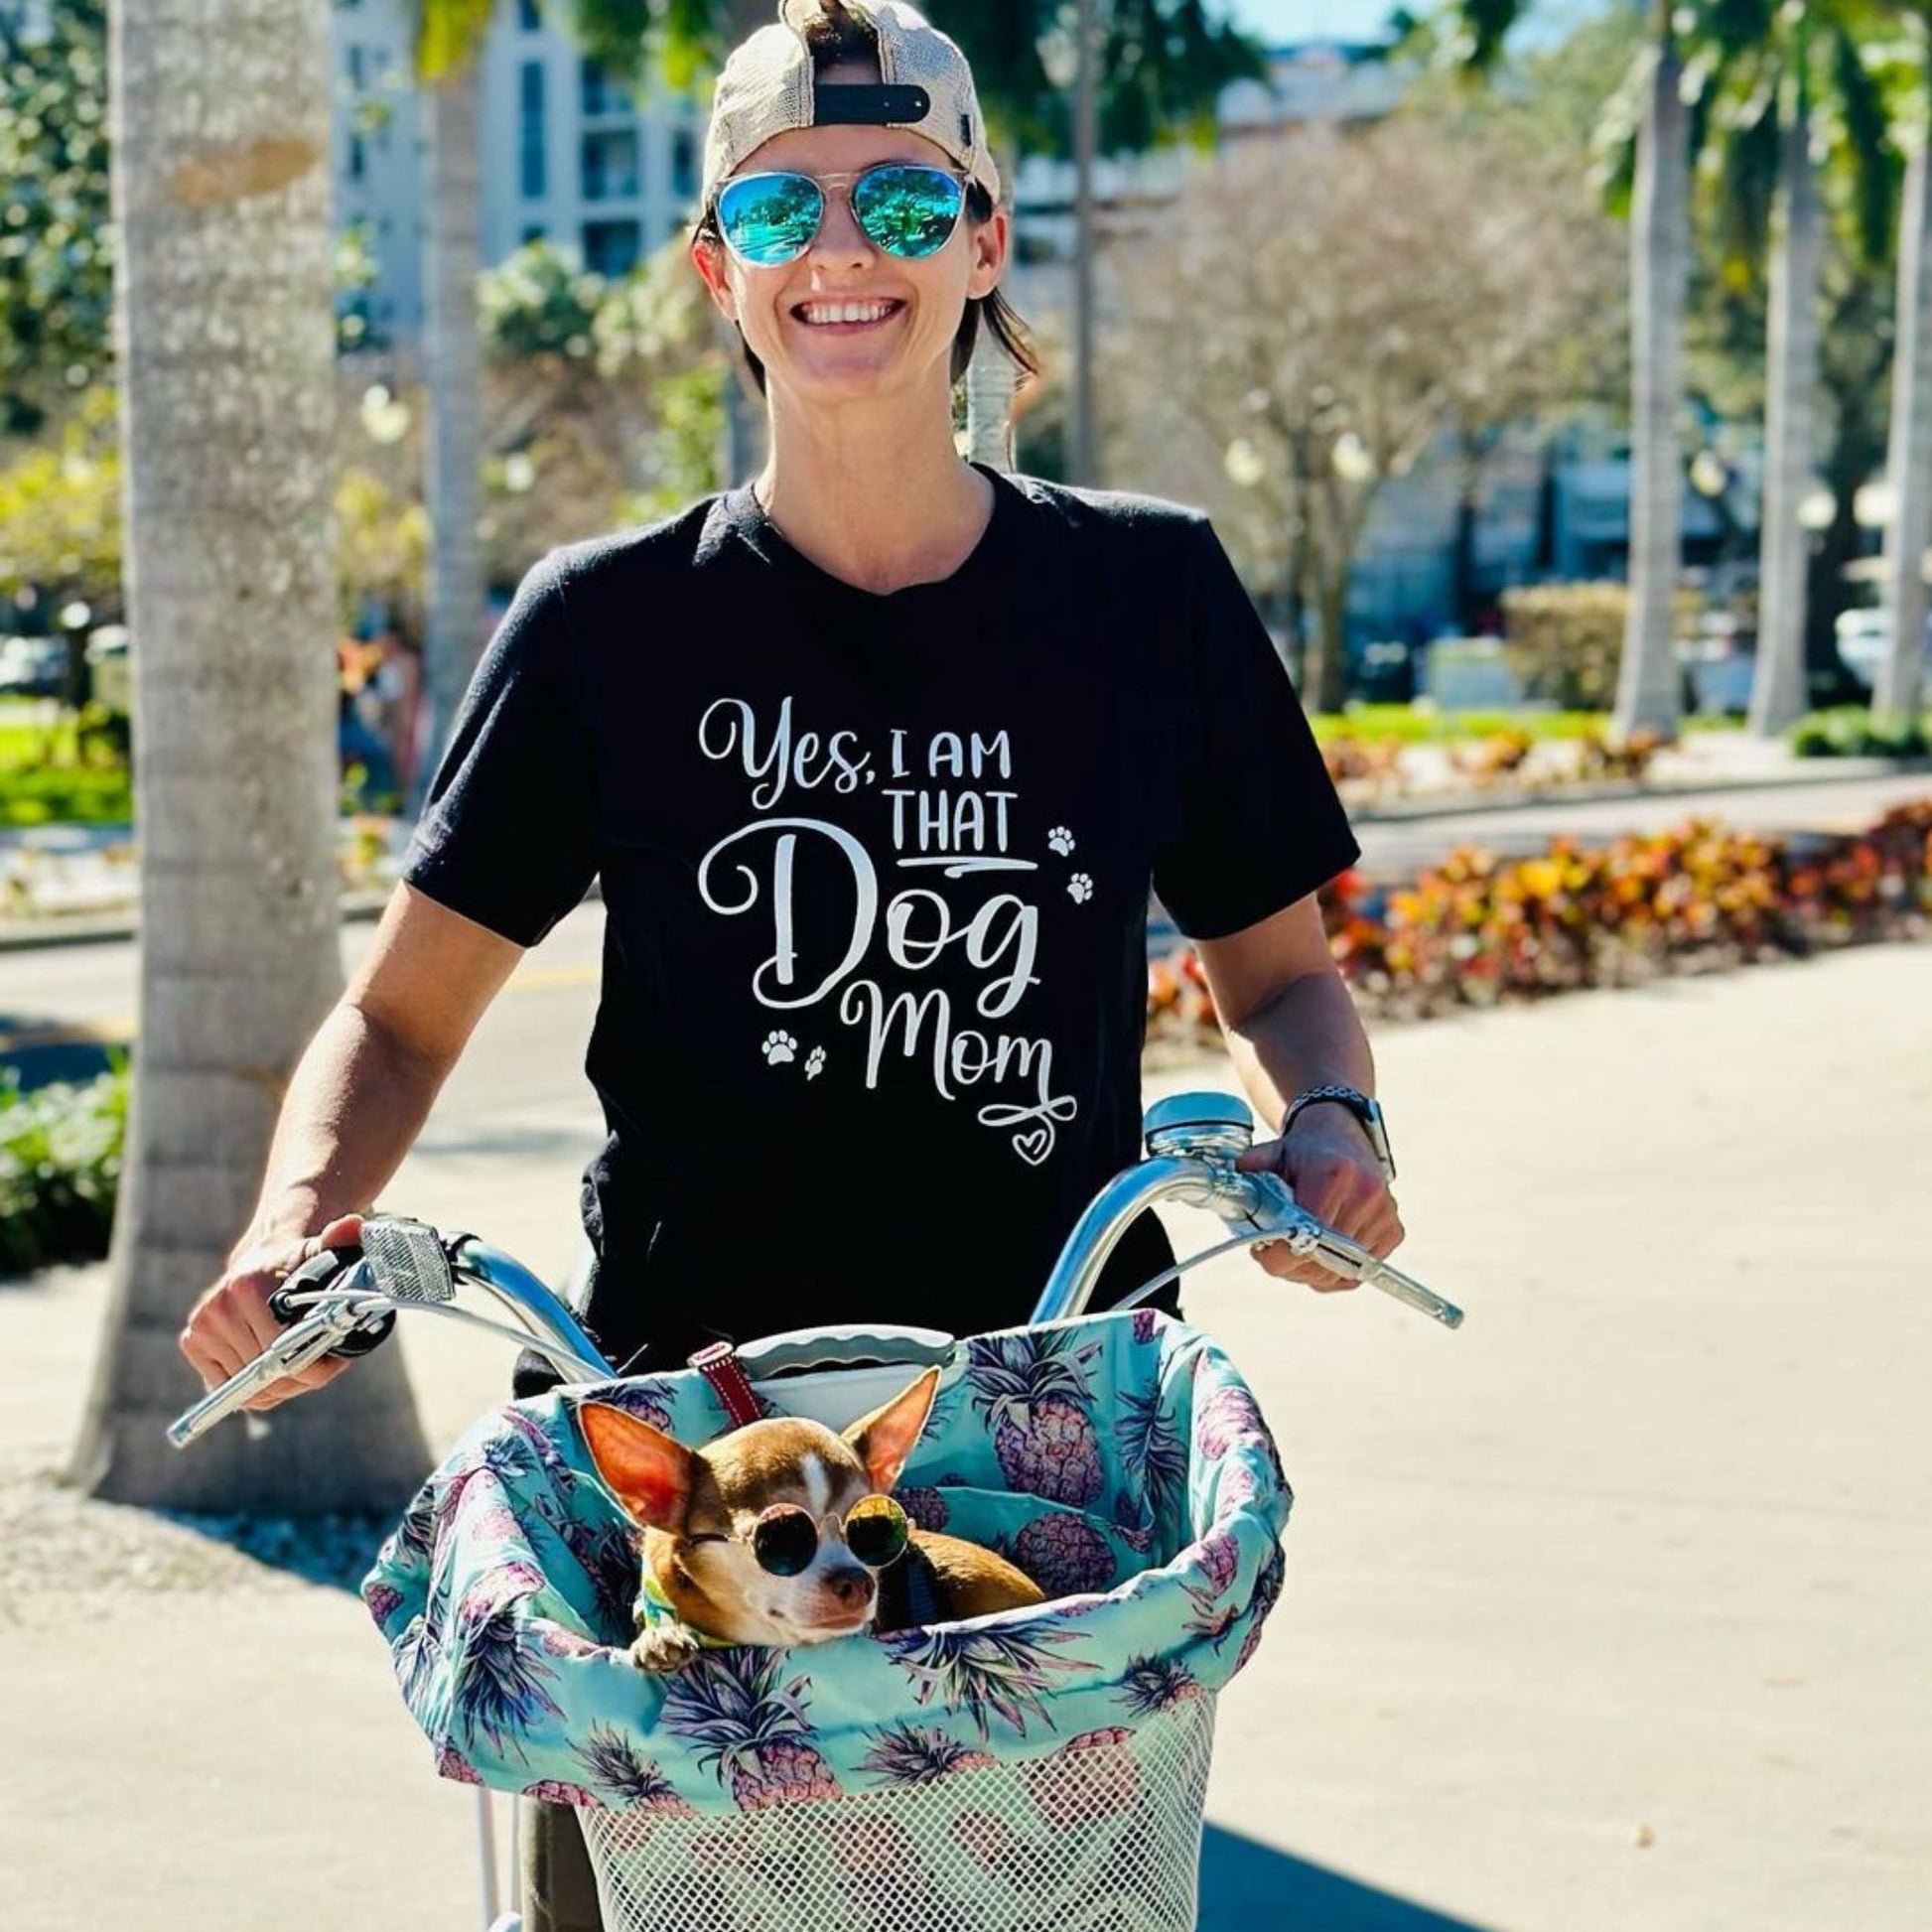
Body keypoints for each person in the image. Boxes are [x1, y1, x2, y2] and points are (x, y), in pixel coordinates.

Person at [181, 3, 1404, 1924]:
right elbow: (403, 1015)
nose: (845, 252)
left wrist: (1331, 1121)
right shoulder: (603, 630)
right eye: (784, 207)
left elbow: (1277, 972)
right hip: (683, 1465)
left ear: (983, 239)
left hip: (1034, 1461)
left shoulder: (1145, 596)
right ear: (716, 266)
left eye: (906, 200)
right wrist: (292, 1235)